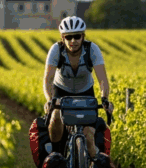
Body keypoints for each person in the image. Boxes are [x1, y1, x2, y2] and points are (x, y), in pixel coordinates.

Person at [43, 16, 113, 159]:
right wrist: (50, 100)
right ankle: (57, 154)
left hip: (85, 92)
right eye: (69, 37)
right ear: (63, 38)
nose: (73, 41)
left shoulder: (92, 49)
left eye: (77, 36)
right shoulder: (56, 50)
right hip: (61, 90)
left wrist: (105, 98)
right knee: (56, 117)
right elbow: (48, 80)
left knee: (88, 138)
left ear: (83, 36)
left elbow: (103, 80)